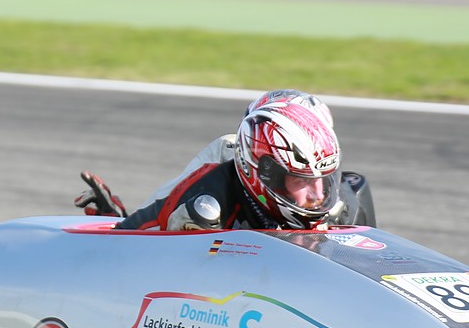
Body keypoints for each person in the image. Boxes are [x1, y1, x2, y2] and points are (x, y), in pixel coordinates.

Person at [80, 99, 345, 231]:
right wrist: (119, 226)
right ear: (264, 175)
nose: (318, 196)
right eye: (300, 180)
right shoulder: (205, 210)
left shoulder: (342, 204)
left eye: (323, 180)